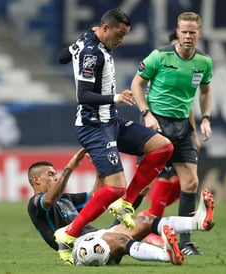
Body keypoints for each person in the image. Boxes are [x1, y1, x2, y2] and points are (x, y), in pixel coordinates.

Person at [54, 8, 174, 264]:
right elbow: (83, 95)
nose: (120, 41)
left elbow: (61, 56)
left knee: (162, 147)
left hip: (111, 120)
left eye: (124, 36)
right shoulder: (90, 52)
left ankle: (126, 204)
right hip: (94, 125)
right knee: (114, 187)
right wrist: (116, 97)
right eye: (119, 35)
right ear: (105, 28)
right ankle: (68, 234)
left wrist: (73, 50)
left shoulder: (90, 39)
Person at [26, 148, 215, 266]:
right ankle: (166, 256)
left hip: (96, 235)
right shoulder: (35, 204)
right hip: (77, 250)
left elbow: (96, 197)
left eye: (55, 174)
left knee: (144, 220)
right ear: (36, 180)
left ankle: (197, 222)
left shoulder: (66, 198)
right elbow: (49, 200)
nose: (56, 177)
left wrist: (100, 169)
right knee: (120, 240)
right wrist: (70, 167)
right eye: (51, 174)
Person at [131, 12, 213, 255]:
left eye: (192, 32)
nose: (187, 36)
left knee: (191, 182)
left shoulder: (204, 62)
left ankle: (185, 242)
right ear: (177, 33)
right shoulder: (160, 56)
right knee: (144, 184)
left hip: (182, 126)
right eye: (183, 32)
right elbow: (136, 84)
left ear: (199, 34)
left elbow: (205, 92)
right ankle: (118, 224)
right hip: (157, 124)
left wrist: (205, 119)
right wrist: (146, 113)